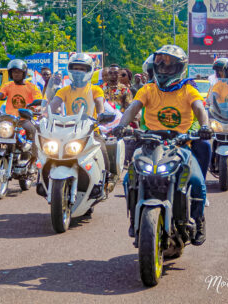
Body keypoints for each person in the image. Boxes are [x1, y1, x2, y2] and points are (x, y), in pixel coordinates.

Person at [112, 45, 212, 246]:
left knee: (197, 182)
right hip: (149, 143)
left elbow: (199, 108)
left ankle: (199, 221)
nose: (164, 70)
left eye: (169, 67)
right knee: (128, 180)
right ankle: (134, 218)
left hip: (180, 145)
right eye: (161, 66)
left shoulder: (188, 89)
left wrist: (205, 126)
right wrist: (122, 125)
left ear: (179, 68)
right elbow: (133, 107)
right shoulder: (148, 89)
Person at [50, 53, 112, 193]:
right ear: (69, 70)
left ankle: (106, 178)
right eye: (75, 68)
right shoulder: (64, 90)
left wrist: (101, 114)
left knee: (101, 147)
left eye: (82, 69)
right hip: (69, 131)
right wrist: (45, 114)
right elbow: (54, 104)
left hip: (90, 131)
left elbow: (99, 104)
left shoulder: (95, 89)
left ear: (89, 70)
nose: (78, 72)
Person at [0, 59, 42, 161]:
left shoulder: (32, 87)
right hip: (9, 120)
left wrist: (35, 108)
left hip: (24, 119)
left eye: (18, 72)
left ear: (24, 73)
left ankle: (33, 160)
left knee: (33, 130)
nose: (15, 74)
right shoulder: (8, 85)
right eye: (13, 72)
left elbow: (39, 101)